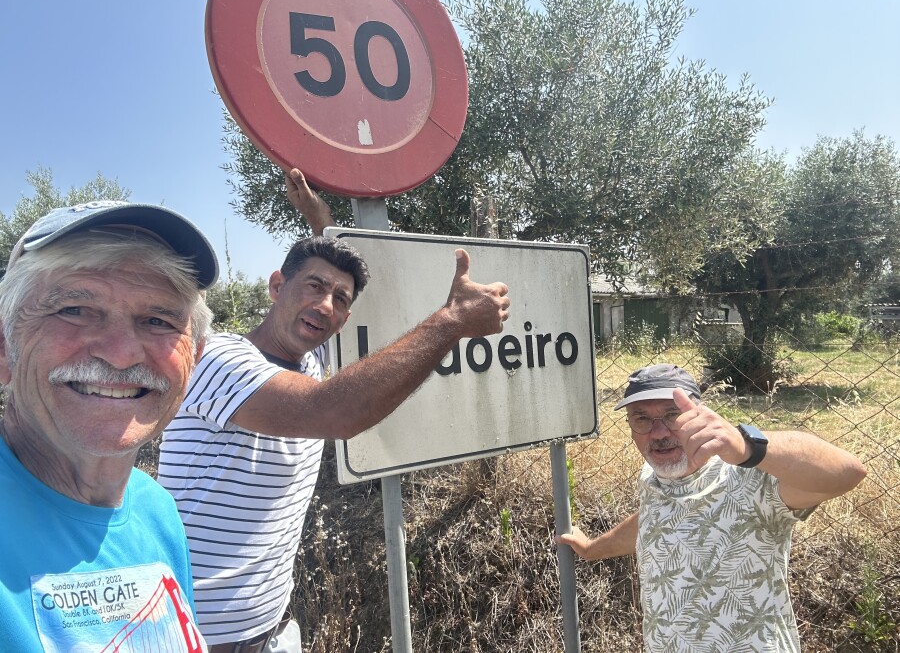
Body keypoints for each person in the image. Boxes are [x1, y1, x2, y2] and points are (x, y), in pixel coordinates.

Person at [157, 168, 511, 651]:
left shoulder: (311, 358)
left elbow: (336, 297)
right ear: (276, 285)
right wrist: (453, 321)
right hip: (194, 631)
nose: (325, 305)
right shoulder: (218, 359)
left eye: (339, 299)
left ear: (345, 319)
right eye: (312, 286)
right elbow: (333, 413)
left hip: (270, 623)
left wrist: (318, 216)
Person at [0, 201, 219, 652]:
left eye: (158, 321)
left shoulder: (155, 508)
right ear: (4, 347)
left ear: (193, 359)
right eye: (74, 309)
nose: (121, 354)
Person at [556, 363, 867, 653]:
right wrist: (592, 548)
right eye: (642, 419)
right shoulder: (654, 475)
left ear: (699, 415)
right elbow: (655, 521)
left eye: (672, 415)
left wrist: (747, 447)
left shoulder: (748, 477)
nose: (659, 433)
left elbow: (848, 473)